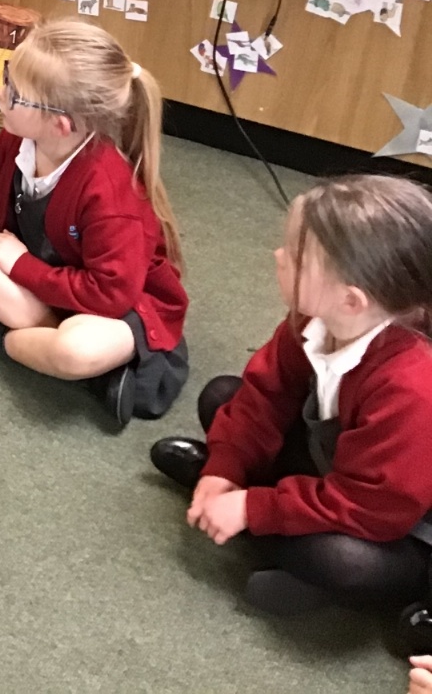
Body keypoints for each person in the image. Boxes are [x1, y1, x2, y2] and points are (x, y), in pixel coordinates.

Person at [149, 175, 432, 626]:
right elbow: (265, 394)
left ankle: (265, 533)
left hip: (397, 521)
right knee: (222, 396)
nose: (279, 256)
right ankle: (252, 519)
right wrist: (225, 467)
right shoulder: (312, 320)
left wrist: (254, 508)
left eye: (298, 259)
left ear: (351, 301)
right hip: (340, 464)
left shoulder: (412, 384)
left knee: (340, 561)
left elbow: (374, 507)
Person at [0, 19, 189, 428]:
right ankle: (71, 364)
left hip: (116, 308)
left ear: (61, 124)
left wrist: (21, 268)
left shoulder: (109, 189)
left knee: (75, 350)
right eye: (7, 76)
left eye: (14, 91)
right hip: (50, 287)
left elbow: (110, 295)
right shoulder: (14, 139)